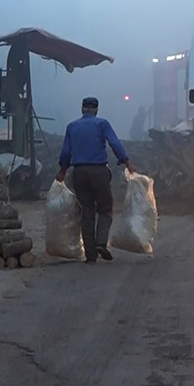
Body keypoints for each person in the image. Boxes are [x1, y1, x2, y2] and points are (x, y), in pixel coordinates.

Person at [57, 97, 136, 263]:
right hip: (99, 172)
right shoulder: (102, 124)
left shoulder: (72, 126)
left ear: (82, 109)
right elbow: (115, 143)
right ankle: (101, 242)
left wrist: (63, 171)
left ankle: (90, 255)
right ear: (96, 110)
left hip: (79, 173)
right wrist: (127, 162)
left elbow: (65, 153)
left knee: (86, 212)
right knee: (105, 209)